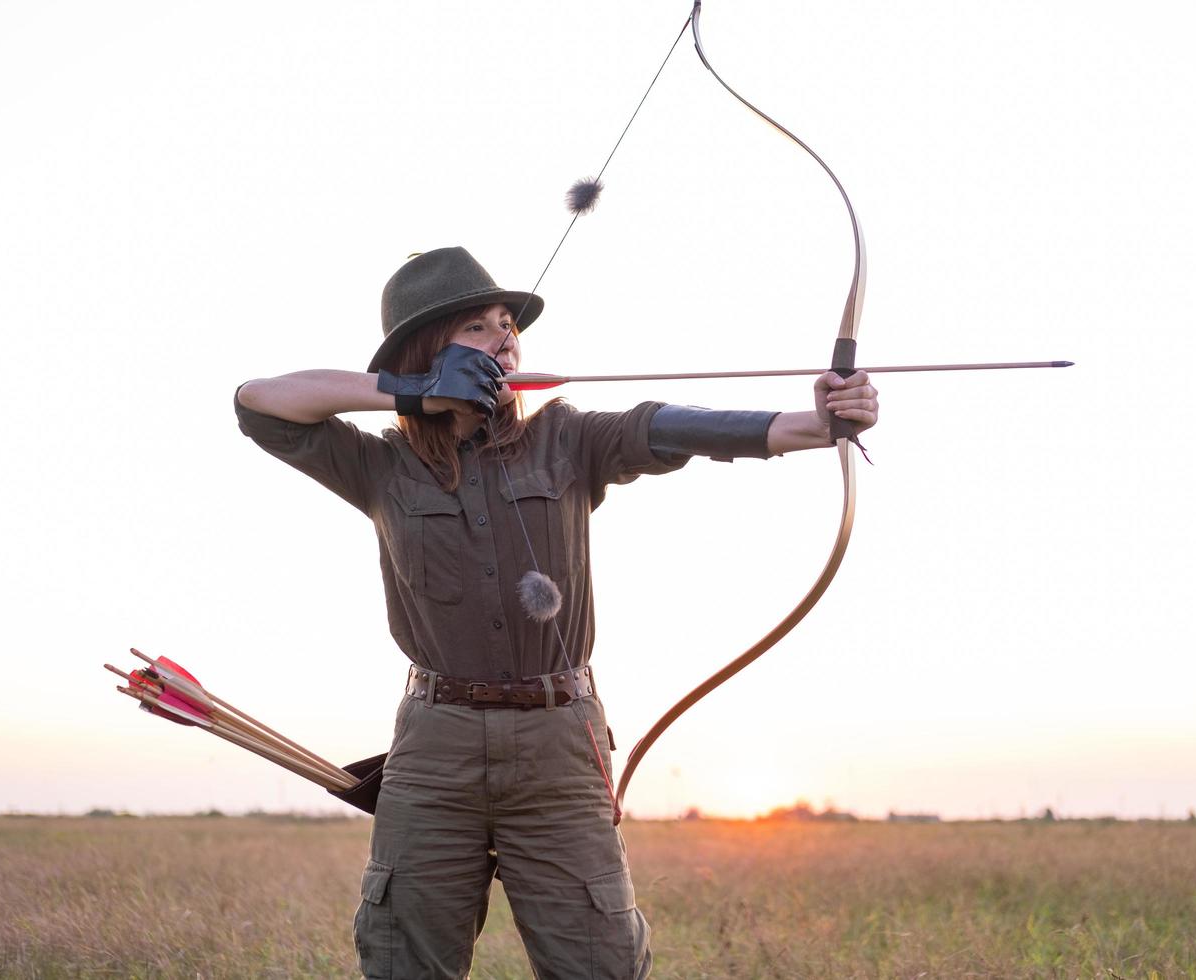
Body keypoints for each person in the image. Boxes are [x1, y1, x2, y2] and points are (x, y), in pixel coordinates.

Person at [234, 246, 879, 979]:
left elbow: (671, 426)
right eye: (477, 327)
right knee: (401, 959)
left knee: (599, 964)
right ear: (423, 351)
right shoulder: (380, 465)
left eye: (508, 324)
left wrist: (820, 420)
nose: (505, 338)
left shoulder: (568, 438)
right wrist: (412, 394)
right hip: (434, 748)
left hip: (558, 744)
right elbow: (258, 400)